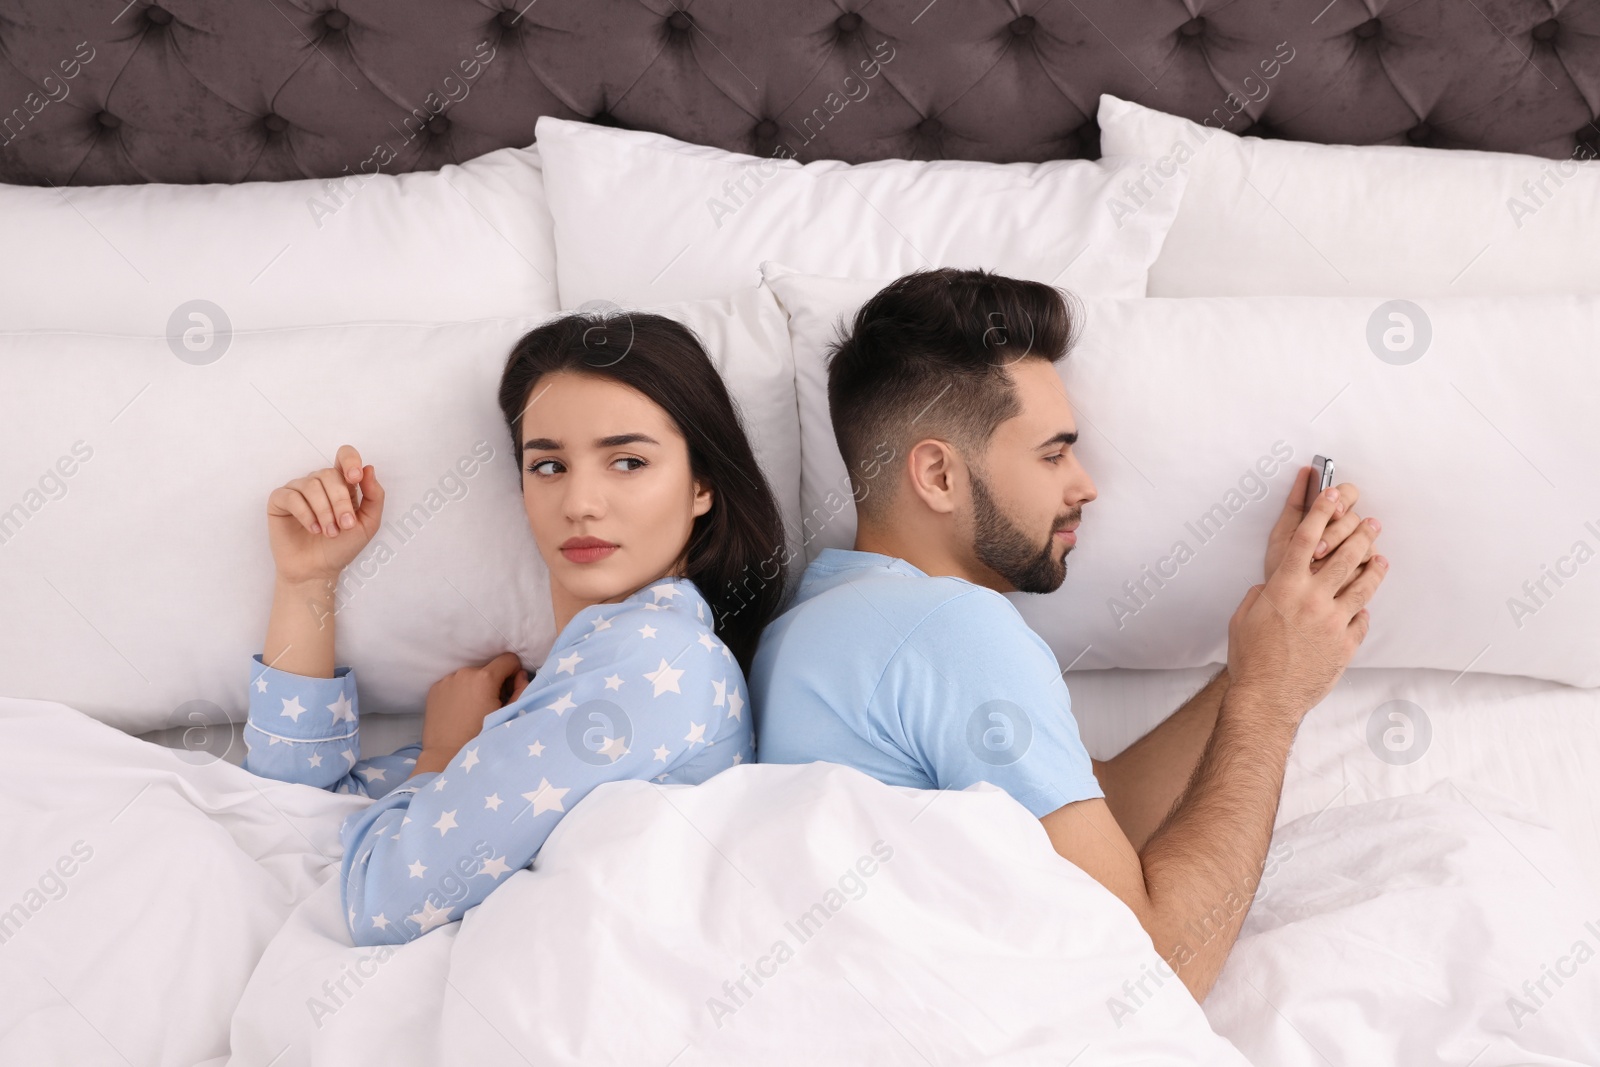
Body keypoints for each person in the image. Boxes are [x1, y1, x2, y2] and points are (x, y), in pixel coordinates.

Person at [749, 268, 1389, 1001]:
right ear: (938, 474)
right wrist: (1272, 703)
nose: (1086, 484)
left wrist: (1261, 659)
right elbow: (1152, 973)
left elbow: (1093, 810)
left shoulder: (812, 626)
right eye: (1053, 452)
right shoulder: (954, 629)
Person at [242, 311, 788, 947]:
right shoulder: (566, 687)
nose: (580, 502)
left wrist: (442, 756)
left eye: (629, 462)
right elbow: (299, 816)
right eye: (548, 466)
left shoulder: (653, 660)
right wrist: (308, 583)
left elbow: (383, 901)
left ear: (701, 486)